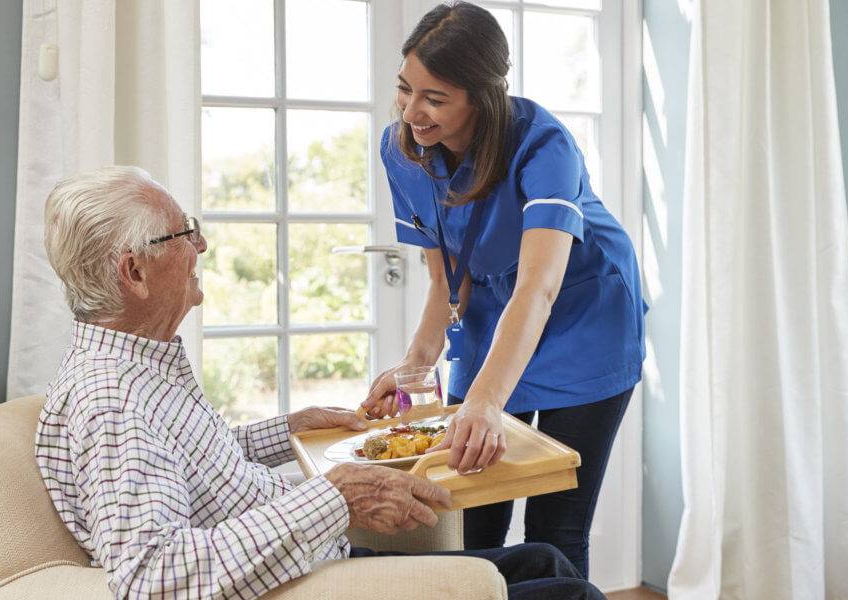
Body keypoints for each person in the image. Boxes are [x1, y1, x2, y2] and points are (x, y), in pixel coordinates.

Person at [35, 165, 605, 600]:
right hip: (307, 584)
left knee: (543, 561)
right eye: (183, 233)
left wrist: (287, 429)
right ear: (133, 272)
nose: (200, 247)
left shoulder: (138, 367)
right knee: (571, 592)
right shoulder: (112, 401)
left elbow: (184, 466)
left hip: (316, 558)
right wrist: (334, 498)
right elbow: (150, 578)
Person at [360, 2, 646, 578]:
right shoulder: (404, 150)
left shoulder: (543, 146)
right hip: (493, 309)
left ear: (482, 96)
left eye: (435, 98)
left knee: (556, 527)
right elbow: (446, 277)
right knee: (473, 511)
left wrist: (488, 399)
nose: (413, 111)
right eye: (405, 88)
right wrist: (415, 365)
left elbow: (540, 289)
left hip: (583, 313)